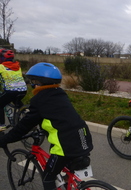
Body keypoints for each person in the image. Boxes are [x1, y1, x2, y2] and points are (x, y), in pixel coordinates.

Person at [0, 62, 93, 190]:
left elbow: (23, 127)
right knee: (68, 173)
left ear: (39, 83)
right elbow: (58, 118)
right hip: (83, 139)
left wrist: (4, 139)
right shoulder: (60, 93)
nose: (32, 85)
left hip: (66, 147)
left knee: (48, 177)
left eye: (33, 81)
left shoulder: (39, 100)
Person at [0, 49, 27, 129]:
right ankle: (25, 111)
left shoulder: (1, 67)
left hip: (10, 92)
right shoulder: (17, 66)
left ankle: (1, 125)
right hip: (23, 90)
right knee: (16, 101)